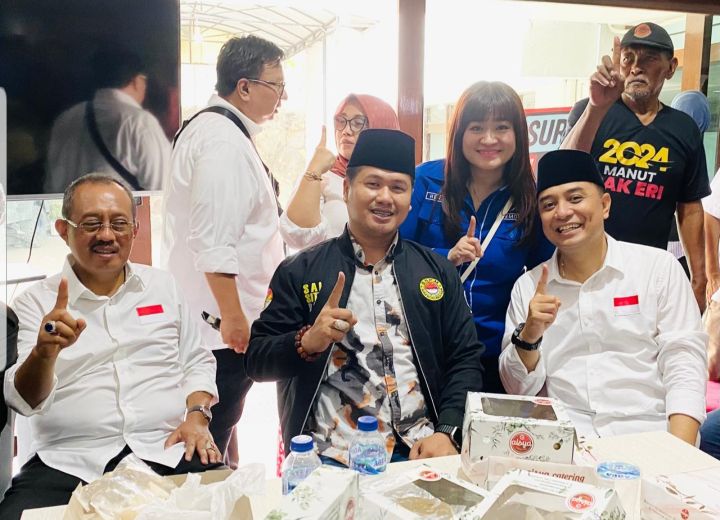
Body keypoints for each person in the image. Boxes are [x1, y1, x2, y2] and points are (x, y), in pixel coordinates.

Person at [245, 129, 484, 466]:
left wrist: (446, 431)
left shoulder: (436, 270)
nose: (385, 197)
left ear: (410, 200)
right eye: (372, 184)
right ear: (346, 189)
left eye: (398, 188)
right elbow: (256, 361)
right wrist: (308, 341)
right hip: (333, 454)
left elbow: (466, 357)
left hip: (420, 449)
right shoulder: (300, 271)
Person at [0, 175, 220, 518]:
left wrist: (197, 416)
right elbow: (24, 400)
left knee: (237, 504)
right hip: (68, 463)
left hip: (165, 448)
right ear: (63, 230)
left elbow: (196, 360)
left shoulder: (162, 287)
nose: (106, 235)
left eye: (119, 224)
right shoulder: (35, 304)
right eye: (91, 224)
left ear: (134, 229)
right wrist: (44, 353)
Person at [500, 149, 707, 445]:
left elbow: (684, 362)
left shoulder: (658, 269)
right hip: (566, 443)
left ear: (605, 204)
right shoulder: (529, 287)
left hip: (651, 434)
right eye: (548, 204)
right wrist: (529, 335)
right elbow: (518, 390)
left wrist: (678, 452)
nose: (562, 212)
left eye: (575, 198)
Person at [160, 35, 286, 468]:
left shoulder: (217, 130)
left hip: (215, 322)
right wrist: (234, 318)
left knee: (220, 433)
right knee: (208, 438)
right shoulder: (222, 143)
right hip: (220, 331)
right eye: (277, 86)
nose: (282, 97)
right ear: (245, 87)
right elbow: (214, 242)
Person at [400, 81, 553, 393]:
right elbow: (394, 253)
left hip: (495, 354)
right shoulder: (425, 181)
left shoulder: (530, 198)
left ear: (518, 134)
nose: (489, 139)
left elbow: (545, 272)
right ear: (459, 133)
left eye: (501, 127)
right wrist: (445, 258)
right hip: (424, 347)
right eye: (476, 127)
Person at [562, 22, 710, 311]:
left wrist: (699, 280)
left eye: (649, 59)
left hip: (648, 274)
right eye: (628, 58)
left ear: (671, 67)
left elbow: (690, 207)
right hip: (585, 268)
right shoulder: (591, 110)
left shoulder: (684, 129)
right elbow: (563, 172)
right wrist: (595, 106)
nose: (635, 68)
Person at [280, 94, 399, 250]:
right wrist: (314, 170)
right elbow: (297, 237)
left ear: (382, 130)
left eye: (358, 123)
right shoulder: (321, 175)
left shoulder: (398, 184)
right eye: (341, 121)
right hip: (327, 265)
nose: (346, 131)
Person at [46, 47, 170, 192]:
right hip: (117, 206)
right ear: (137, 81)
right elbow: (162, 187)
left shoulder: (66, 118)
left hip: (67, 205)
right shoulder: (139, 122)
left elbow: (51, 183)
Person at [665, 91, 711, 279]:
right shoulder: (694, 150)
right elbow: (692, 207)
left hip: (659, 239)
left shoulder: (660, 141)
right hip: (685, 245)